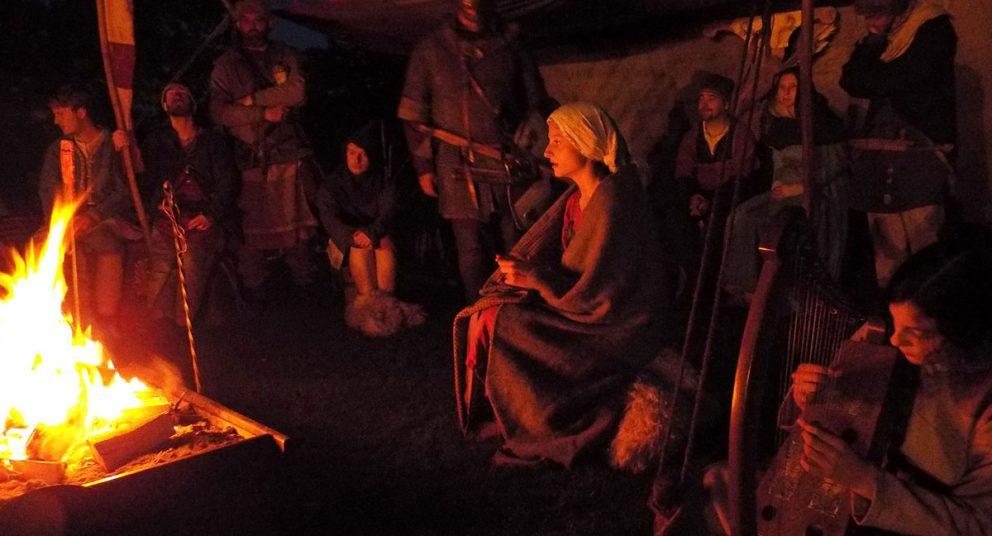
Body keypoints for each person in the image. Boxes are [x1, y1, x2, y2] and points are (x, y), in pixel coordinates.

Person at [452, 102, 671, 467]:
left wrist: (534, 278)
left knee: (509, 324)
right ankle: (511, 415)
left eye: (557, 141)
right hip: (577, 302)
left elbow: (597, 288)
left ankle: (541, 423)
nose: (547, 150)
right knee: (490, 313)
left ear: (585, 143)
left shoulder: (613, 200)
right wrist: (523, 272)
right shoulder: (576, 197)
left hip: (616, 322)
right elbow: (564, 263)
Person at [786, 240, 992, 534]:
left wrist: (863, 479)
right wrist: (811, 394)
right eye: (895, 325)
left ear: (963, 331)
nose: (895, 340)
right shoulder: (890, 343)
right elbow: (841, 407)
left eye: (915, 332)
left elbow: (978, 526)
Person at [397, 0, 549, 302]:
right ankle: (478, 313)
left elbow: (537, 99)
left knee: (517, 242)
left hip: (507, 160)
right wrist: (424, 167)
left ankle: (517, 312)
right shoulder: (430, 49)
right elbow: (413, 115)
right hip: (457, 164)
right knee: (470, 249)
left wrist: (531, 124)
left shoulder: (511, 43)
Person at [840, 0, 956, 288]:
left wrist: (875, 60)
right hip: (882, 160)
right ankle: (894, 323)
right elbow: (851, 80)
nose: (872, 21)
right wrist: (875, 40)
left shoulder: (934, 28)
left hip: (920, 152)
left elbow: (895, 80)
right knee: (887, 256)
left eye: (878, 13)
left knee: (926, 253)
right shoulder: (884, 39)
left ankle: (928, 323)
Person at [209, 0, 318, 297]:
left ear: (269, 23)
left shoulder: (285, 55)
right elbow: (219, 112)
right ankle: (255, 289)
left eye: (258, 19)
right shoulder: (226, 65)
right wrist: (261, 113)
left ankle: (305, 286)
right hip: (248, 156)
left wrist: (250, 101)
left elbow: (296, 92)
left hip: (286, 150)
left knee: (296, 227)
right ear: (237, 23)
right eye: (246, 19)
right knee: (252, 230)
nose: (252, 25)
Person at [721, 68, 848, 299]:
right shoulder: (777, 124)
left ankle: (804, 291)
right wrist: (778, 182)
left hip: (817, 191)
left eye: (793, 87)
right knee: (741, 216)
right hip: (784, 191)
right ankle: (748, 287)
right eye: (782, 87)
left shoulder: (823, 122)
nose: (786, 93)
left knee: (795, 227)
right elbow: (778, 162)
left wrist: (799, 187)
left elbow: (833, 166)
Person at [38, 84, 138, 327]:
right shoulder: (59, 150)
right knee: (44, 245)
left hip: (105, 218)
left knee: (105, 241)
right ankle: (59, 319)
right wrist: (62, 221)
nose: (56, 121)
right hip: (69, 219)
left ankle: (106, 321)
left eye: (60, 113)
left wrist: (93, 216)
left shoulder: (112, 145)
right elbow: (48, 189)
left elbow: (123, 192)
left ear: (80, 112)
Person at [140, 83, 237, 326]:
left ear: (193, 103)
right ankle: (158, 329)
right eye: (171, 95)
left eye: (183, 93)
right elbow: (144, 175)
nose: (177, 96)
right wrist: (125, 146)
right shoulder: (156, 141)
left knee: (191, 262)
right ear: (164, 105)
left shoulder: (213, 141)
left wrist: (212, 214)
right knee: (160, 267)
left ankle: (184, 326)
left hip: (200, 218)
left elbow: (228, 181)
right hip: (166, 217)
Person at [315, 124, 424, 337]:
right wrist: (351, 235)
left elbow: (389, 212)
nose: (356, 159)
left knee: (382, 243)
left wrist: (371, 233)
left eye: (363, 154)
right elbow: (329, 219)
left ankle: (386, 307)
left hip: (379, 237)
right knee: (358, 248)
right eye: (352, 153)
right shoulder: (332, 185)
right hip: (346, 241)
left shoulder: (384, 181)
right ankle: (367, 309)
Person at [674, 73, 759, 279]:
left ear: (726, 104)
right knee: (677, 221)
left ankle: (721, 281)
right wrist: (693, 197)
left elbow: (742, 178)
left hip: (728, 199)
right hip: (700, 197)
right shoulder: (692, 137)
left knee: (719, 226)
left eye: (711, 98)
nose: (704, 104)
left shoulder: (740, 135)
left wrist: (712, 202)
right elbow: (684, 172)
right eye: (701, 98)